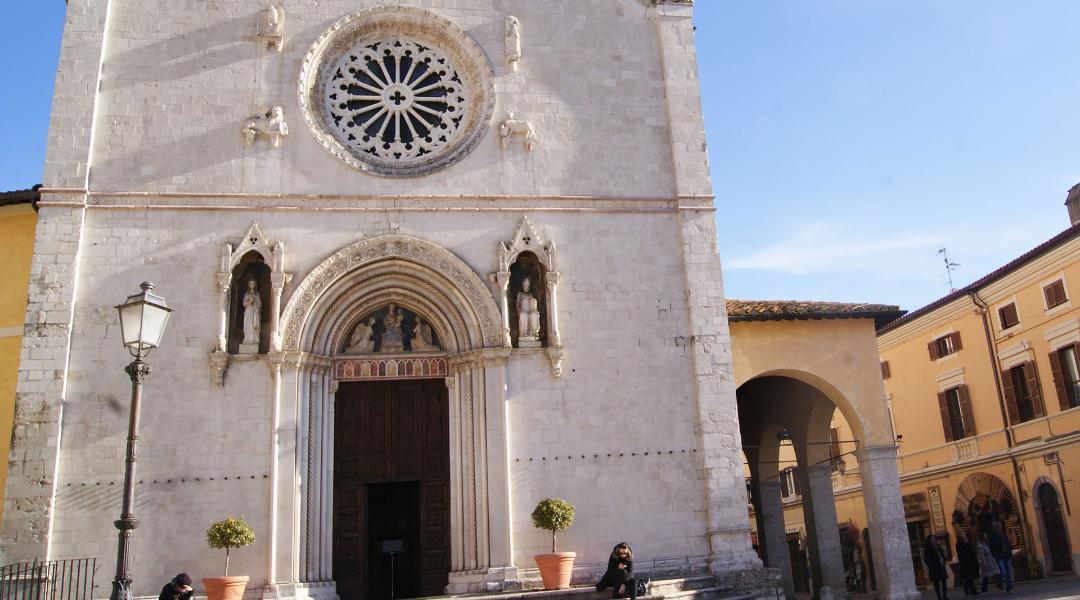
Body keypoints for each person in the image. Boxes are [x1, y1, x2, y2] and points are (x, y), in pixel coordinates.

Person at [988, 521, 1014, 593]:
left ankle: (1009, 588)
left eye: (1001, 526)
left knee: (1009, 572)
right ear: (996, 527)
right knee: (1003, 572)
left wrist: (1010, 552)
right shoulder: (992, 535)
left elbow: (1008, 544)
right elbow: (991, 547)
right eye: (999, 526)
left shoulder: (1003, 534)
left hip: (1006, 555)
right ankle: (999, 586)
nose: (1001, 527)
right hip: (999, 556)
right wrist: (995, 555)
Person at [924, 534, 949, 600]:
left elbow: (942, 553)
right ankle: (939, 597)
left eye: (934, 538)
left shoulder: (937, 546)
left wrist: (943, 559)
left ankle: (945, 596)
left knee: (944, 581)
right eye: (932, 538)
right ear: (930, 540)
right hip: (934, 567)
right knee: (936, 582)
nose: (934, 539)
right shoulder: (928, 548)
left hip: (941, 565)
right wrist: (930, 564)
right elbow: (926, 559)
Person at [955, 531, 980, 596]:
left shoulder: (968, 542)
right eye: (963, 535)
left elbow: (971, 550)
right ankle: (968, 589)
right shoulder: (959, 543)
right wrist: (966, 544)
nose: (964, 536)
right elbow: (961, 552)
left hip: (971, 561)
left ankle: (972, 590)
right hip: (965, 562)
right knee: (968, 577)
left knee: (970, 577)